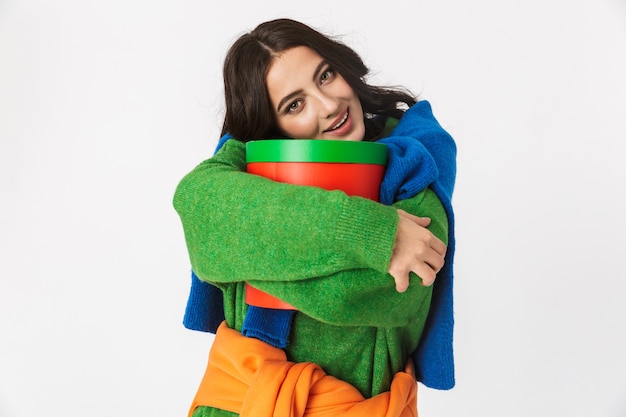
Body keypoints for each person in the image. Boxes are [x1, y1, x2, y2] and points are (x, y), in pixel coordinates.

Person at [173, 18, 457, 417]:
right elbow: (196, 202)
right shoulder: (241, 163)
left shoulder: (418, 159)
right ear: (271, 127)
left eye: (325, 76)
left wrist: (257, 247)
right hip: (236, 406)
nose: (329, 105)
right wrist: (372, 233)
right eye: (294, 104)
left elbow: (380, 295)